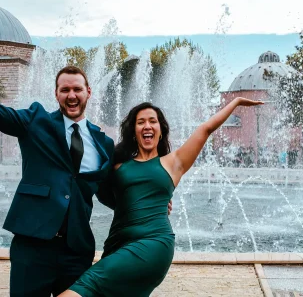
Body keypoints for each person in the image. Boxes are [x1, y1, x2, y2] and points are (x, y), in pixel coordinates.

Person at [0, 42, 172, 296]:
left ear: (88, 92)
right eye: (64, 90)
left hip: (76, 250)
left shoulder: (103, 143)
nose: (71, 95)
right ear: (56, 94)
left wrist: (151, 202)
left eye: (77, 89)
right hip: (33, 246)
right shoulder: (35, 121)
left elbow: (107, 193)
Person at [60, 98, 263, 297]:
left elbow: (206, 129)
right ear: (134, 131)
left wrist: (235, 102)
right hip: (117, 244)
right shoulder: (117, 165)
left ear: (160, 129)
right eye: (141, 122)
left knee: (86, 286)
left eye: (152, 121)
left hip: (153, 243)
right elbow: (102, 193)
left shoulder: (173, 163)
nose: (147, 126)